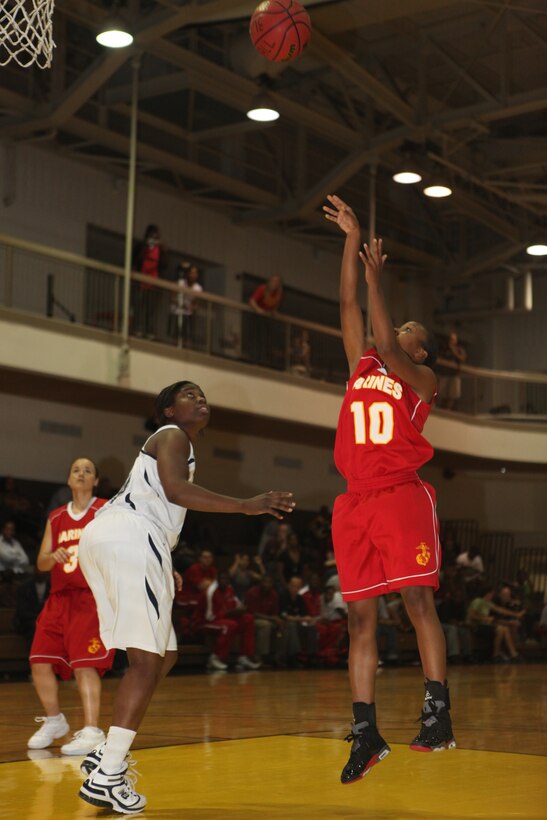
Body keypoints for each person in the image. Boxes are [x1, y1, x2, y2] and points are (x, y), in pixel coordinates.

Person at [77, 380, 294, 814]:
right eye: (188, 394)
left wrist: (163, 561)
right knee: (146, 660)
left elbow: (159, 502)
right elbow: (176, 491)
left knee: (165, 653)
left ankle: (106, 754)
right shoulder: (172, 436)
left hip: (115, 538)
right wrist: (245, 506)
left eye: (201, 393)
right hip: (131, 536)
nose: (199, 398)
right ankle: (108, 772)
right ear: (169, 411)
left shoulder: (171, 444)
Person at [323, 193, 453, 786]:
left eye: (408, 332)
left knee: (417, 603)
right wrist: (351, 239)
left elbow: (379, 324)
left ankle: (437, 709)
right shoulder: (360, 363)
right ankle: (366, 730)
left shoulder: (418, 378)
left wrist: (381, 282)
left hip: (401, 493)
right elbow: (347, 303)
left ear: (419, 349)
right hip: (355, 499)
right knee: (358, 620)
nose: (396, 333)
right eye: (396, 329)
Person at [28, 458, 115, 756]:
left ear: (96, 481)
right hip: (58, 600)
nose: (81, 473)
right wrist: (53, 557)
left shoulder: (104, 510)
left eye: (87, 470)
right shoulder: (55, 517)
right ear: (68, 480)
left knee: (85, 664)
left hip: (90, 598)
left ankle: (92, 730)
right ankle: (55, 721)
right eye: (76, 470)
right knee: (39, 660)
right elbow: (40, 562)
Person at [193, 571, 261, 671]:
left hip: (225, 618)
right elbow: (209, 616)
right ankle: (215, 657)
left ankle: (244, 656)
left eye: (227, 579)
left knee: (248, 619)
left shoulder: (230, 589)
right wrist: (229, 613)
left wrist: (240, 610)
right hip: (205, 623)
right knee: (230, 625)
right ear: (217, 580)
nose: (225, 581)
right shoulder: (210, 592)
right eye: (222, 579)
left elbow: (237, 604)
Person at [132, 224, 168, 339]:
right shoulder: (140, 247)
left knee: (151, 310)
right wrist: (144, 248)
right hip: (140, 282)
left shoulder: (160, 251)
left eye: (155, 237)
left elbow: (164, 265)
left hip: (154, 284)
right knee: (138, 307)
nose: (153, 239)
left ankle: (150, 331)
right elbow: (134, 260)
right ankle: (138, 329)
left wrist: (163, 249)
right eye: (151, 236)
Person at [248, 274, 284, 367]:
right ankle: (254, 360)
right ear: (269, 282)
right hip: (257, 316)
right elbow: (252, 301)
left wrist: (274, 311)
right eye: (274, 281)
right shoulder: (262, 289)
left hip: (267, 317)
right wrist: (258, 310)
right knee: (256, 338)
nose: (275, 284)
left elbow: (275, 304)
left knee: (265, 338)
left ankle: (262, 360)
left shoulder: (278, 293)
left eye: (277, 283)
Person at [438, 332, 466, 410]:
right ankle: (438, 409)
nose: (452, 341)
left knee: (453, 395)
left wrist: (454, 350)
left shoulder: (459, 349)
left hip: (455, 375)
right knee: (440, 393)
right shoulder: (444, 349)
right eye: (451, 339)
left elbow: (462, 359)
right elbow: (439, 359)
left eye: (454, 339)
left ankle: (448, 410)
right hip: (444, 374)